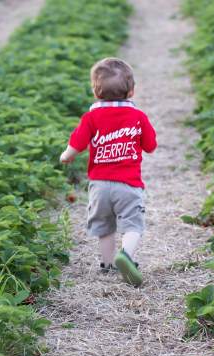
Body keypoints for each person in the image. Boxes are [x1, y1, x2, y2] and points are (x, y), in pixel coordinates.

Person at [60, 57, 157, 287]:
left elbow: (76, 144)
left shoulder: (91, 117)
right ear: (131, 91)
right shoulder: (138, 117)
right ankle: (126, 255)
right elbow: (151, 146)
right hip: (128, 185)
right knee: (132, 224)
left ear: (96, 92)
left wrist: (66, 156)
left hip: (100, 186)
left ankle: (107, 264)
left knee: (104, 225)